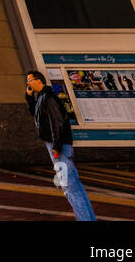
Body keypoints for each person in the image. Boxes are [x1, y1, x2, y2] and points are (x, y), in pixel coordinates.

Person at [26, 70, 95, 221]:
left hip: (59, 146)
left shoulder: (49, 98)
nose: (28, 83)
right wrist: (29, 97)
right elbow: (35, 114)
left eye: (30, 80)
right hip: (56, 144)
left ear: (39, 81)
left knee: (69, 186)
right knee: (73, 185)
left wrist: (56, 147)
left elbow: (58, 123)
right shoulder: (42, 98)